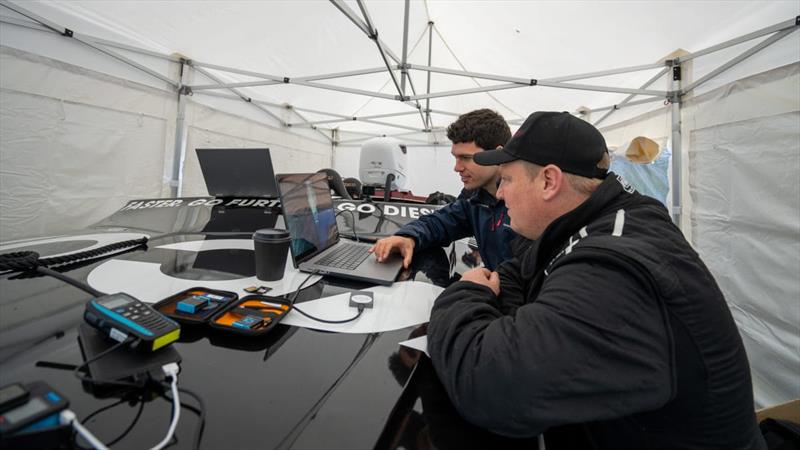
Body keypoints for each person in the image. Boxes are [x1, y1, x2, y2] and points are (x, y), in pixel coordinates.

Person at [427, 111, 765, 449]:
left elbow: (491, 386)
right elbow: (519, 273)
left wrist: (467, 293)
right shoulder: (589, 222)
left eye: (508, 180)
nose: (500, 195)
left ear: (548, 181)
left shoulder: (615, 263)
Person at [370, 108, 516, 270]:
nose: (457, 167)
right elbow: (440, 222)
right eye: (455, 157)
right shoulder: (474, 198)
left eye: (466, 158)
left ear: (497, 154)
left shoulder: (527, 203)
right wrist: (408, 237)